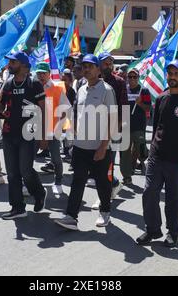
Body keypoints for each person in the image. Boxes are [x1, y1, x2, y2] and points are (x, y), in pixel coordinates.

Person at [136, 60, 178, 247]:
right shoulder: (161, 97)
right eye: (170, 73)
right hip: (157, 157)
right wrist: (151, 149)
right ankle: (152, 229)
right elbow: (156, 127)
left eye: (176, 73)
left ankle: (173, 232)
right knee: (149, 193)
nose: (172, 76)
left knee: (174, 198)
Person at [54, 54, 117, 230]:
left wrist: (103, 147)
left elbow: (113, 120)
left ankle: (105, 212)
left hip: (99, 147)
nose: (86, 69)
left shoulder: (107, 90)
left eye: (90, 66)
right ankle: (71, 216)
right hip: (81, 146)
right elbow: (76, 115)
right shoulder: (81, 89)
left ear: (98, 69)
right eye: (84, 66)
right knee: (78, 181)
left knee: (103, 183)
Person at [0, 51, 48, 219]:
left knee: (25, 170)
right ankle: (18, 207)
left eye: (13, 62)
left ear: (23, 65)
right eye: (9, 62)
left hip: (29, 134)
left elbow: (42, 110)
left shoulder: (34, 84)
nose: (9, 65)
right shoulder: (8, 83)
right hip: (9, 134)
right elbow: (0, 108)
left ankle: (39, 193)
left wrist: (43, 136)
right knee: (12, 173)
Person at [92, 52, 128, 206]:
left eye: (110, 63)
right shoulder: (92, 81)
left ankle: (103, 198)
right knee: (95, 165)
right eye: (105, 63)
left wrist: (115, 130)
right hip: (93, 130)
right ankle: (113, 184)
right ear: (98, 65)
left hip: (112, 131)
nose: (108, 66)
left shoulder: (119, 82)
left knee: (107, 164)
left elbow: (123, 109)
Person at [35, 62, 71, 195]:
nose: (41, 76)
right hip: (35, 130)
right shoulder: (34, 87)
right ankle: (30, 184)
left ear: (49, 74)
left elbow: (65, 109)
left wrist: (60, 127)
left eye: (43, 73)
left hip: (53, 129)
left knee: (56, 158)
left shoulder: (57, 88)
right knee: (28, 157)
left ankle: (58, 182)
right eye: (39, 73)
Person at [120, 68, 151, 185]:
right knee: (125, 152)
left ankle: (135, 164)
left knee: (138, 150)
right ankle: (126, 176)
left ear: (138, 78)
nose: (132, 79)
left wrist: (140, 103)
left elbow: (148, 108)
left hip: (139, 126)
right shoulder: (124, 90)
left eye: (135, 77)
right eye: (130, 77)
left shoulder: (144, 91)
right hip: (125, 125)